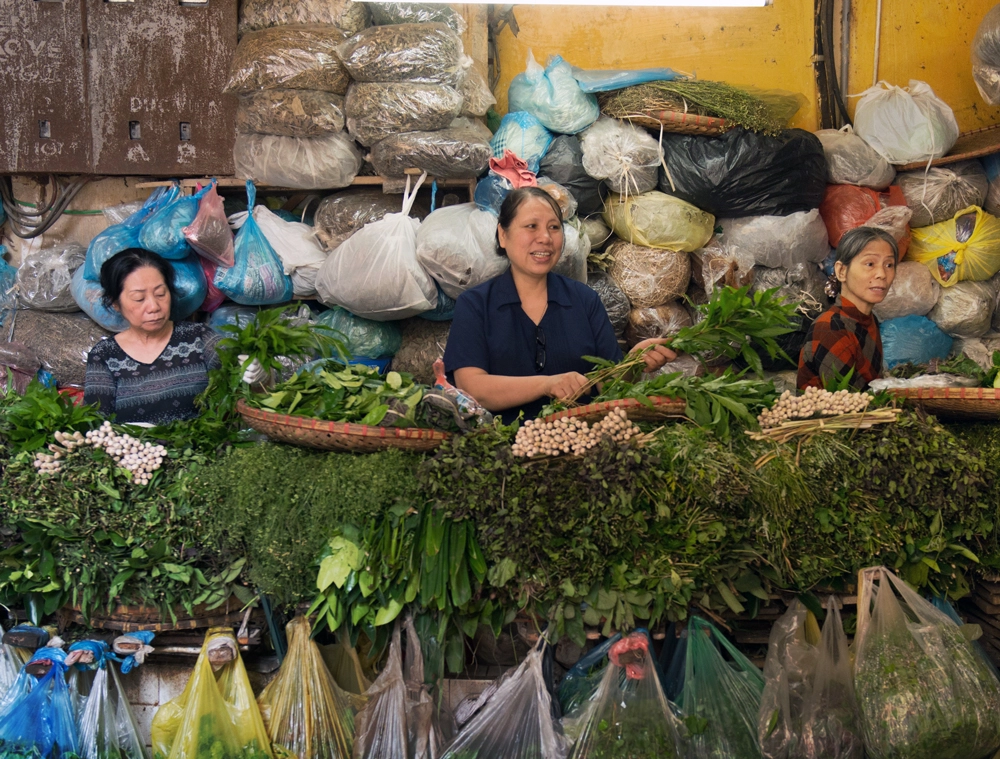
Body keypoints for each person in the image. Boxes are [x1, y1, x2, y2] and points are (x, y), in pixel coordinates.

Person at [444, 188, 676, 422]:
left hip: (583, 443)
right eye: (531, 226)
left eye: (554, 227)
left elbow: (607, 385)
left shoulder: (585, 300)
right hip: (501, 447)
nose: (545, 237)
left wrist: (632, 365)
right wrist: (547, 384)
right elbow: (472, 388)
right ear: (503, 235)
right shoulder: (475, 305)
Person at [83, 248, 226, 424]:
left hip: (202, 448)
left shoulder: (200, 339)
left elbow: (241, 385)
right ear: (115, 304)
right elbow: (95, 423)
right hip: (133, 449)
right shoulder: (105, 356)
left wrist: (259, 378)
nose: (153, 306)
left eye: (160, 294)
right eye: (139, 298)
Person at [797, 226, 898, 391]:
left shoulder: (869, 319)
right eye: (870, 263)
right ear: (842, 271)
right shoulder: (831, 328)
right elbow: (847, 405)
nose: (881, 274)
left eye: (889, 265)